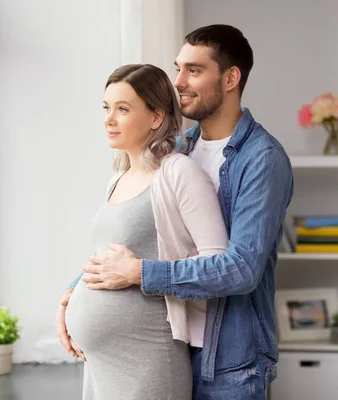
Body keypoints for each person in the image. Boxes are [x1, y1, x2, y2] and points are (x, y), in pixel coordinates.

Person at [69, 24, 295, 399]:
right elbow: (134, 241)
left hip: (227, 361)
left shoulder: (262, 160)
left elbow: (240, 268)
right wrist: (74, 292)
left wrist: (140, 273)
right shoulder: (180, 149)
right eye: (178, 68)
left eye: (194, 70)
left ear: (230, 78)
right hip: (172, 342)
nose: (178, 82)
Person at [58, 63, 229, 400]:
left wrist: (139, 273)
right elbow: (106, 261)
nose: (109, 119)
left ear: (155, 117)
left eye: (123, 109)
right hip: (100, 366)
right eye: (107, 108)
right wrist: (67, 301)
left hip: (148, 360)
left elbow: (218, 262)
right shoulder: (118, 178)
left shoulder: (178, 172)